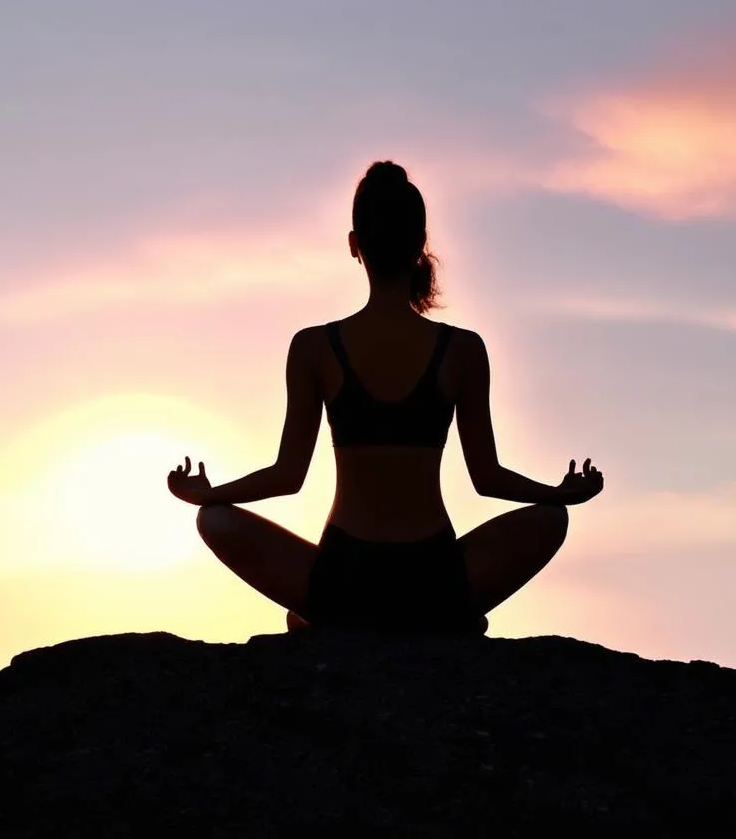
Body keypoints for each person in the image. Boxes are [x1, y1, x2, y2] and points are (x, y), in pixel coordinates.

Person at [167, 160, 604, 633]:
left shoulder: (314, 347)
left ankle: (325, 621)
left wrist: (210, 495)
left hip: (344, 578)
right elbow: (487, 477)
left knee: (215, 522)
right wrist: (557, 493)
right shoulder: (463, 350)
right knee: (551, 520)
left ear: (355, 246)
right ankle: (443, 619)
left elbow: (287, 475)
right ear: (420, 246)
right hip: (434, 577)